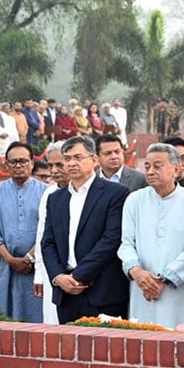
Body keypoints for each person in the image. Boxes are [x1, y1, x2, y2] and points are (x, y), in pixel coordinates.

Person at [41, 135, 131, 322]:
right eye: (67, 158)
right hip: (66, 293)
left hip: (102, 292)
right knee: (68, 348)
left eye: (78, 157)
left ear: (94, 160)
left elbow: (111, 239)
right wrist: (58, 277)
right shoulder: (55, 199)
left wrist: (78, 276)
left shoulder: (115, 193)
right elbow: (48, 242)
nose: (72, 163)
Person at [118, 144, 184, 331]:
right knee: (144, 344)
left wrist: (163, 278)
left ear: (176, 168)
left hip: (180, 291)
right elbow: (126, 243)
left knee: (183, 344)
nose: (150, 171)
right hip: (142, 289)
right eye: (147, 167)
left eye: (158, 166)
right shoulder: (134, 200)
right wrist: (137, 272)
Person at [0, 142, 48, 322]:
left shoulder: (46, 192)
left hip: (36, 267)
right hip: (7, 267)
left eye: (23, 161)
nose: (18, 166)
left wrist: (29, 258)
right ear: (7, 165)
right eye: (13, 162)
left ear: (32, 163)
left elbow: (47, 232)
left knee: (38, 318)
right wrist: (11, 260)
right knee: (6, 318)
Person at [30, 155, 62, 323]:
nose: (54, 170)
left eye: (59, 164)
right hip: (53, 272)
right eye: (51, 165)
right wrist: (39, 275)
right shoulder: (49, 193)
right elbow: (43, 236)